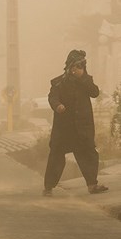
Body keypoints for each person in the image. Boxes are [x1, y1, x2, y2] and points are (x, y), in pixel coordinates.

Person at [43, 49, 108, 196]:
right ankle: (48, 188)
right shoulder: (59, 82)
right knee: (56, 157)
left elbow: (95, 92)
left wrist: (83, 77)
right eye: (75, 66)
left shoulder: (86, 80)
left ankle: (92, 185)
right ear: (69, 66)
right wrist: (58, 106)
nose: (77, 69)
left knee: (89, 154)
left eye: (81, 66)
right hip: (64, 128)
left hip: (82, 127)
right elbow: (52, 97)